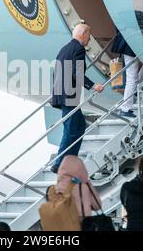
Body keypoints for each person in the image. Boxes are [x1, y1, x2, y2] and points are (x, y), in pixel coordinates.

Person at [50, 24, 104, 173]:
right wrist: (92, 85)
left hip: (61, 94)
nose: (89, 39)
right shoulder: (78, 49)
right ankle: (60, 163)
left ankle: (66, 161)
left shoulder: (64, 49)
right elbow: (76, 73)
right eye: (89, 35)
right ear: (84, 35)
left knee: (78, 126)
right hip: (69, 95)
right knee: (72, 129)